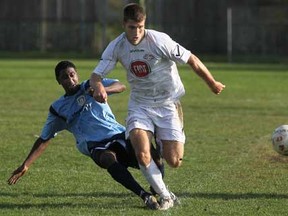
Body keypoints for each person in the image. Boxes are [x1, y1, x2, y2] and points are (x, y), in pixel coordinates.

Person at [89, 3, 226, 210]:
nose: (136, 32)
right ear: (124, 25)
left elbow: (192, 60)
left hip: (168, 103)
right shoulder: (117, 46)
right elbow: (95, 76)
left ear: (145, 25)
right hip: (140, 105)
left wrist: (212, 83)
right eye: (132, 27)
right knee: (142, 152)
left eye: (140, 27)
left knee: (174, 161)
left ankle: (163, 142)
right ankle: (165, 195)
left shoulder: (159, 40)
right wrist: (98, 86)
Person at [7, 60, 164, 210]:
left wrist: (102, 91)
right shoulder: (57, 109)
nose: (70, 79)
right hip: (95, 144)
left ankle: (159, 189)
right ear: (58, 81)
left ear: (77, 75)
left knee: (152, 153)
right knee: (108, 158)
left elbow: (120, 86)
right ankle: (145, 196)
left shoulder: (90, 85)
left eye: (72, 74)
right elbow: (44, 138)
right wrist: (26, 164)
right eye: (64, 77)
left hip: (118, 134)